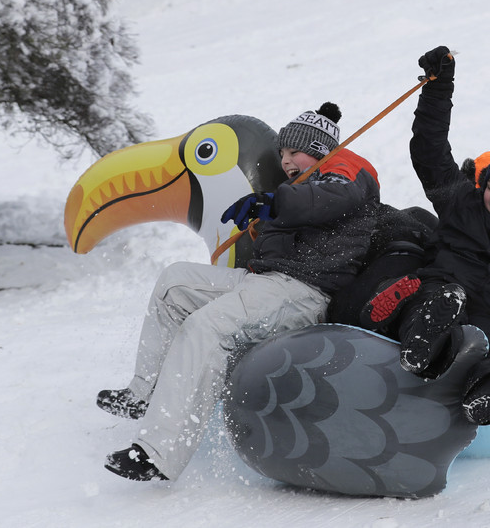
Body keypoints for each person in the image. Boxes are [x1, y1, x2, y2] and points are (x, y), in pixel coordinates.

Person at [99, 103, 382, 482]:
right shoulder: (299, 185)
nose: (285, 161)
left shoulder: (346, 168)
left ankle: (157, 453)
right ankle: (143, 393)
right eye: (281, 154)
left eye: (292, 151)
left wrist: (274, 202)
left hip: (302, 292)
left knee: (207, 328)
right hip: (266, 282)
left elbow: (331, 198)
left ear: (317, 148)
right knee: (175, 282)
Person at [359, 47, 490, 427]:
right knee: (433, 300)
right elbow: (430, 153)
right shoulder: (464, 204)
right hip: (443, 285)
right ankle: (420, 346)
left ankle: (486, 393)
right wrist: (438, 90)